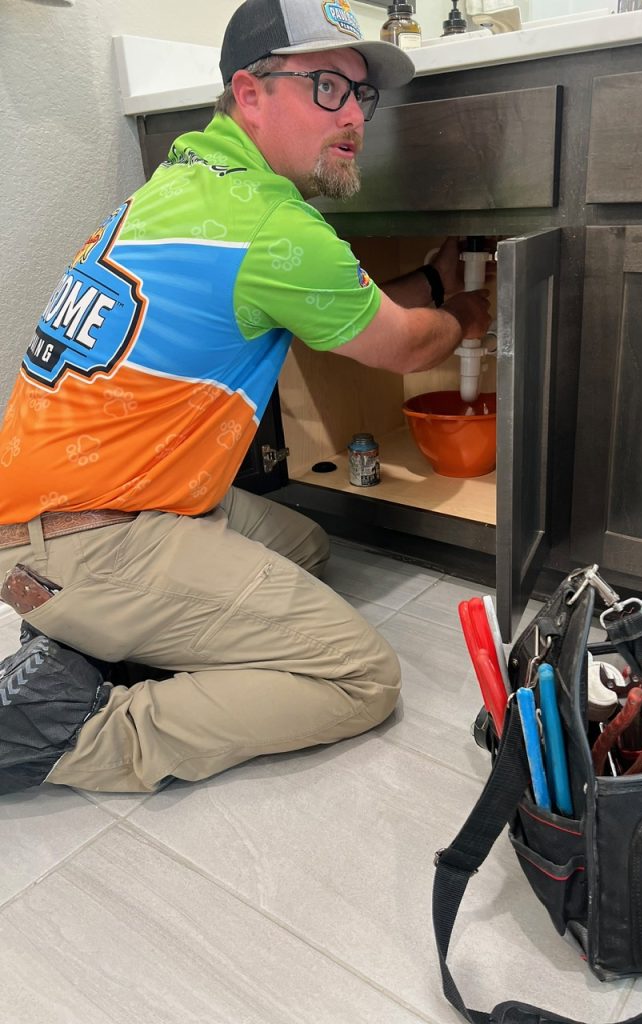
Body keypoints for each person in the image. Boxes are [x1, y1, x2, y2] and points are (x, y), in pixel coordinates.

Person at [0, 0, 491, 794]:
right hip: (93, 542)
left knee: (307, 548)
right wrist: (467, 312)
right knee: (361, 678)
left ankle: (85, 644)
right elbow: (403, 345)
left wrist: (433, 285)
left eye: (361, 94)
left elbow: (354, 313)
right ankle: (71, 732)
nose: (353, 116)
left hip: (57, 517)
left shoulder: (181, 186)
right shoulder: (272, 227)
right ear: (250, 93)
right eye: (326, 86)